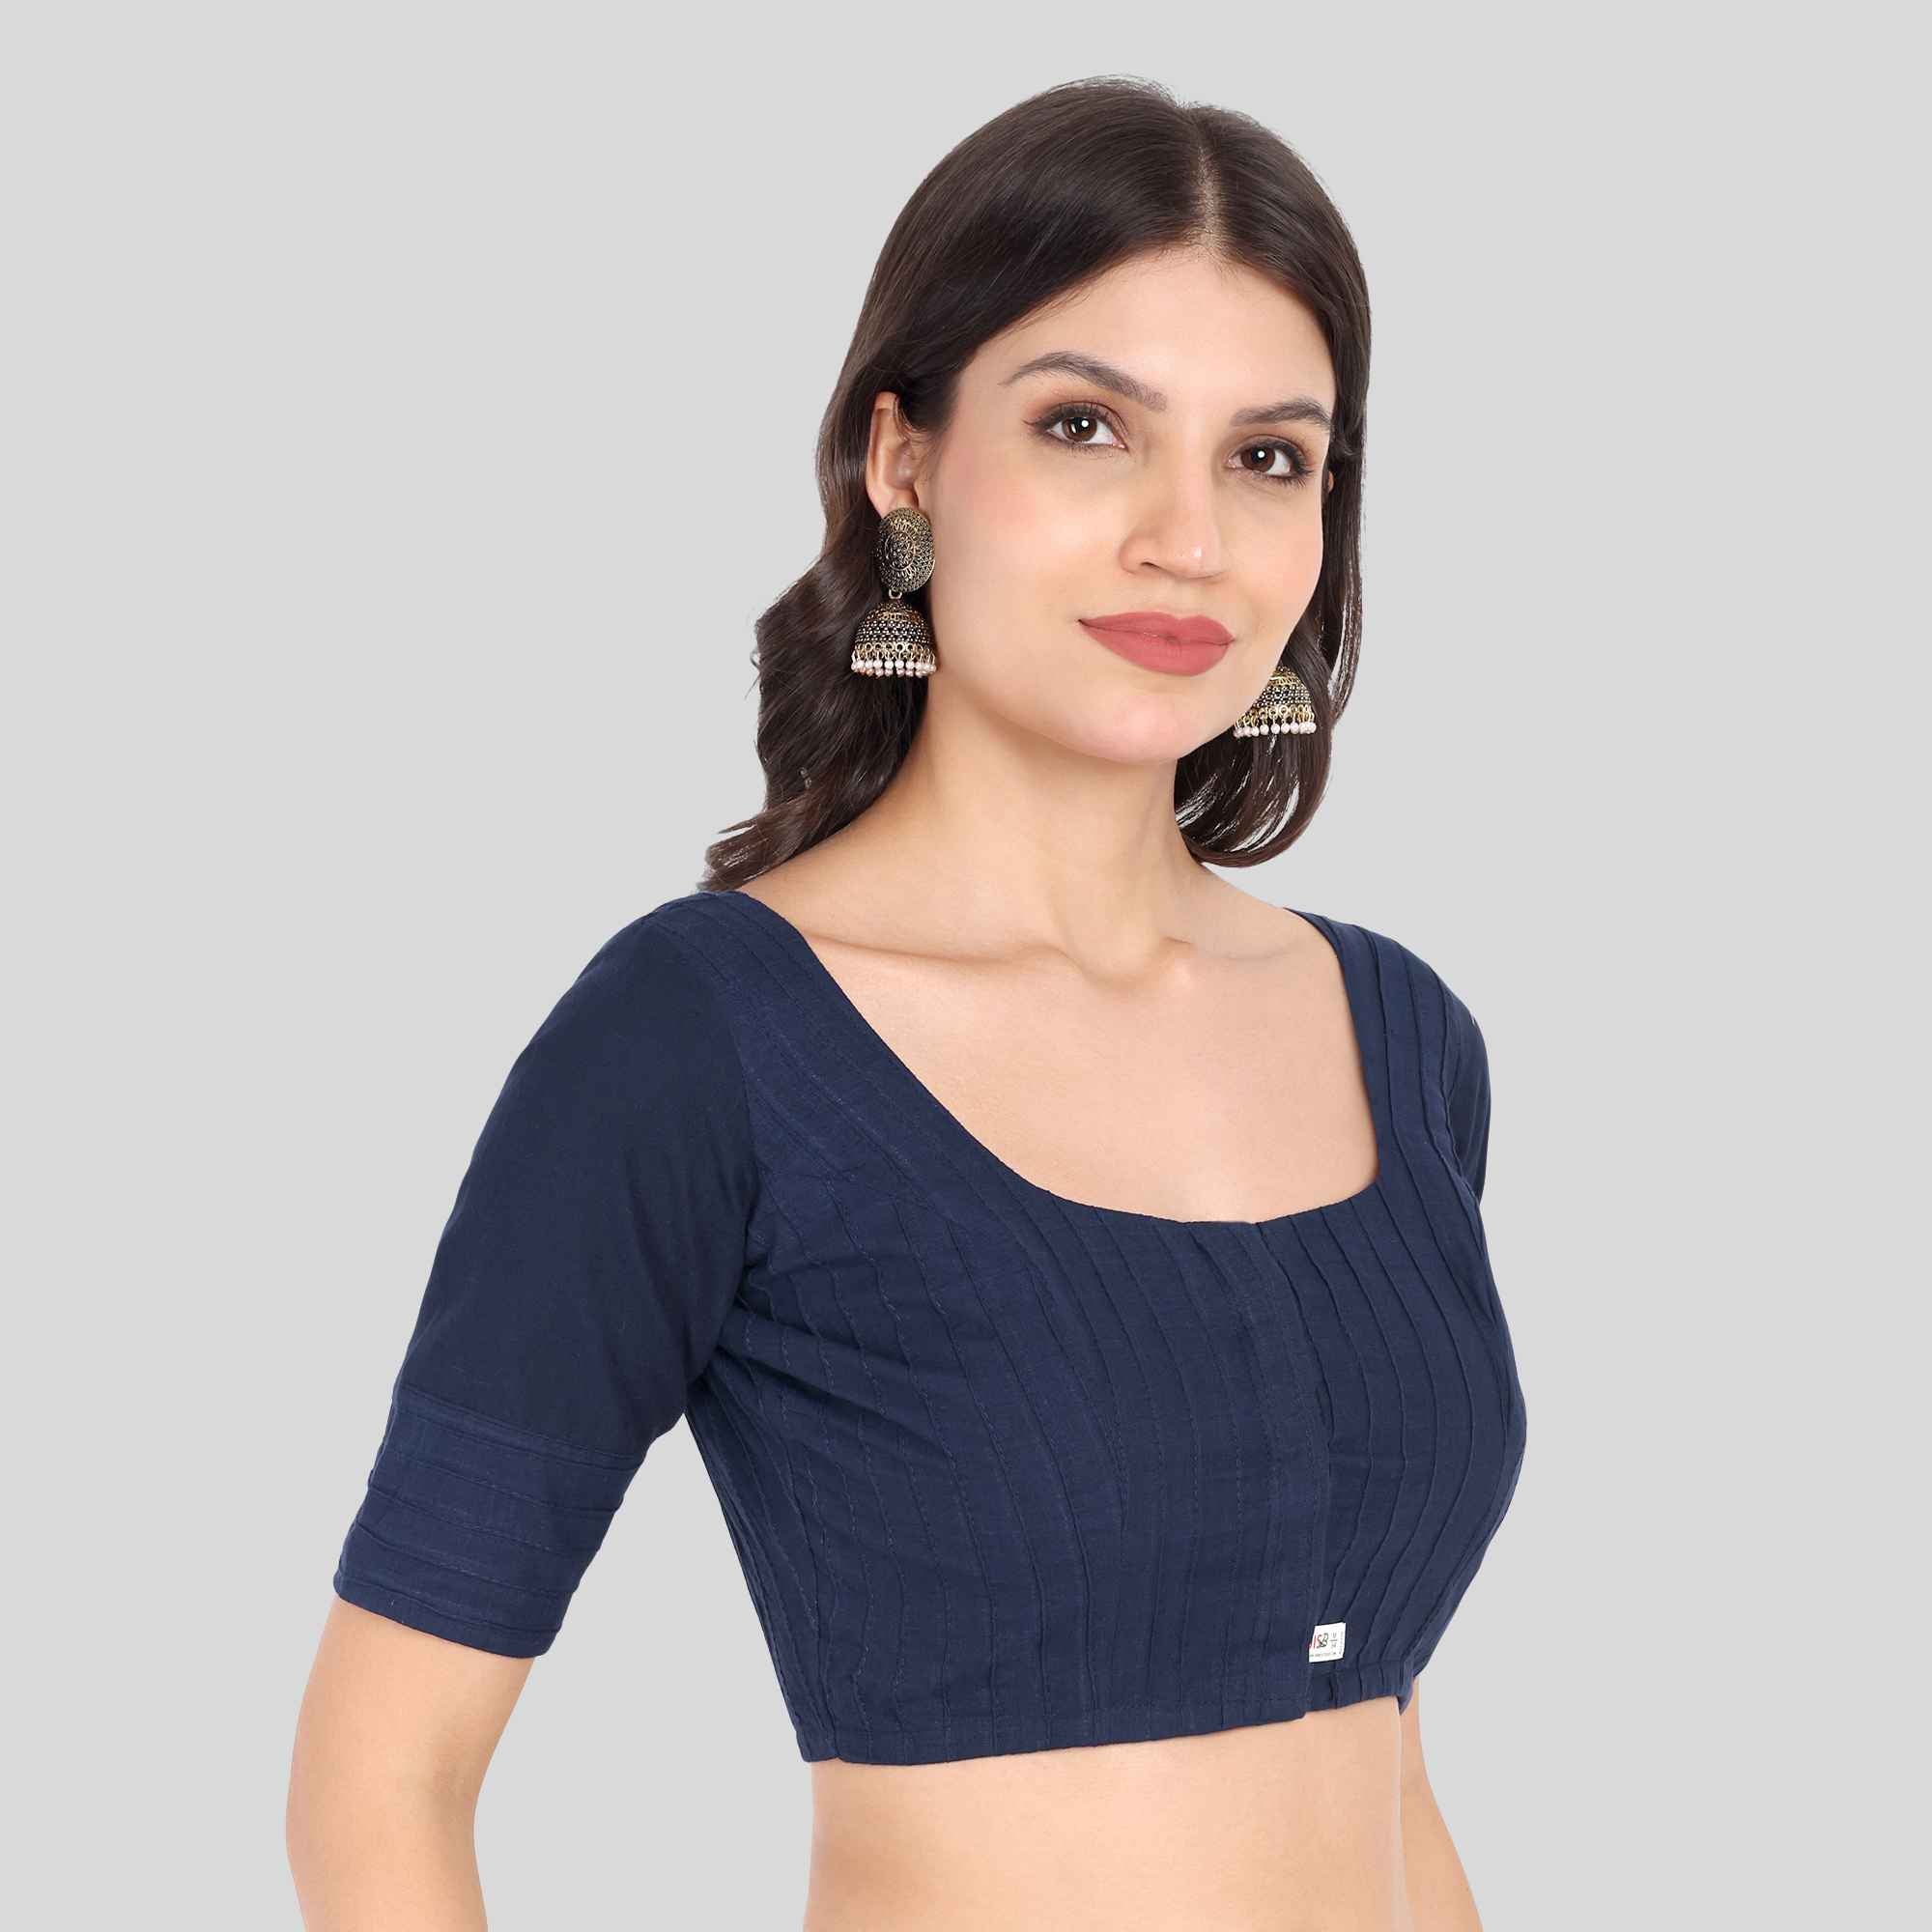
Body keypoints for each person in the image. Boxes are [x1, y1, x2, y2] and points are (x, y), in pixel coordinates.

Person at [288, 74, 1527, 1932]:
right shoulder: (700, 1043)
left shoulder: (1398, 1038)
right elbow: (378, 1790)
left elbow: (1389, 1761)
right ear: (905, 461)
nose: (1188, 537)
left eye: (1270, 457)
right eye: (1088, 427)